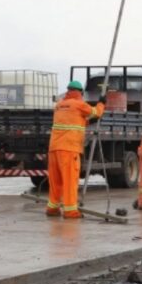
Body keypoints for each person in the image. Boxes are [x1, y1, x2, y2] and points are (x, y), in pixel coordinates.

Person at [46, 80, 104, 219]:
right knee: (70, 180)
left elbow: (72, 120)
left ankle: (52, 208)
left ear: (68, 90)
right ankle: (70, 210)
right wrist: (102, 103)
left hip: (54, 148)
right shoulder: (79, 104)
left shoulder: (59, 105)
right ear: (79, 92)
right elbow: (96, 112)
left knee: (56, 181)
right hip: (69, 149)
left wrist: (87, 121)